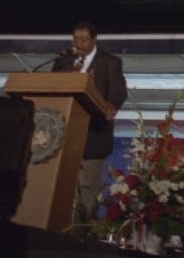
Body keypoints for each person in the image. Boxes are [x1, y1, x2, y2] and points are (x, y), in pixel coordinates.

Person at [51, 20, 127, 225]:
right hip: (64, 135)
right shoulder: (63, 61)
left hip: (94, 134)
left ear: (94, 40)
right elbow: (52, 86)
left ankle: (84, 232)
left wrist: (111, 105)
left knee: (87, 190)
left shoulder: (110, 62)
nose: (79, 43)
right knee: (65, 188)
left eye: (84, 39)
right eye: (76, 39)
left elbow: (119, 90)